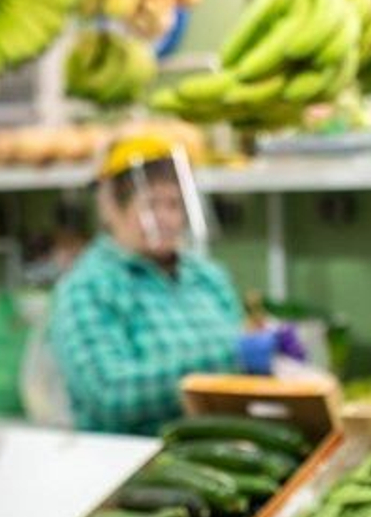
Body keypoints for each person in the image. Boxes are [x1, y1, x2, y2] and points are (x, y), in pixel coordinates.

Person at [48, 136, 243, 435]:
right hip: (134, 465)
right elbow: (109, 394)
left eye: (175, 205)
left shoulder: (208, 277)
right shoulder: (87, 288)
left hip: (221, 448)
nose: (165, 219)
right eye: (151, 205)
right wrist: (231, 360)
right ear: (111, 208)